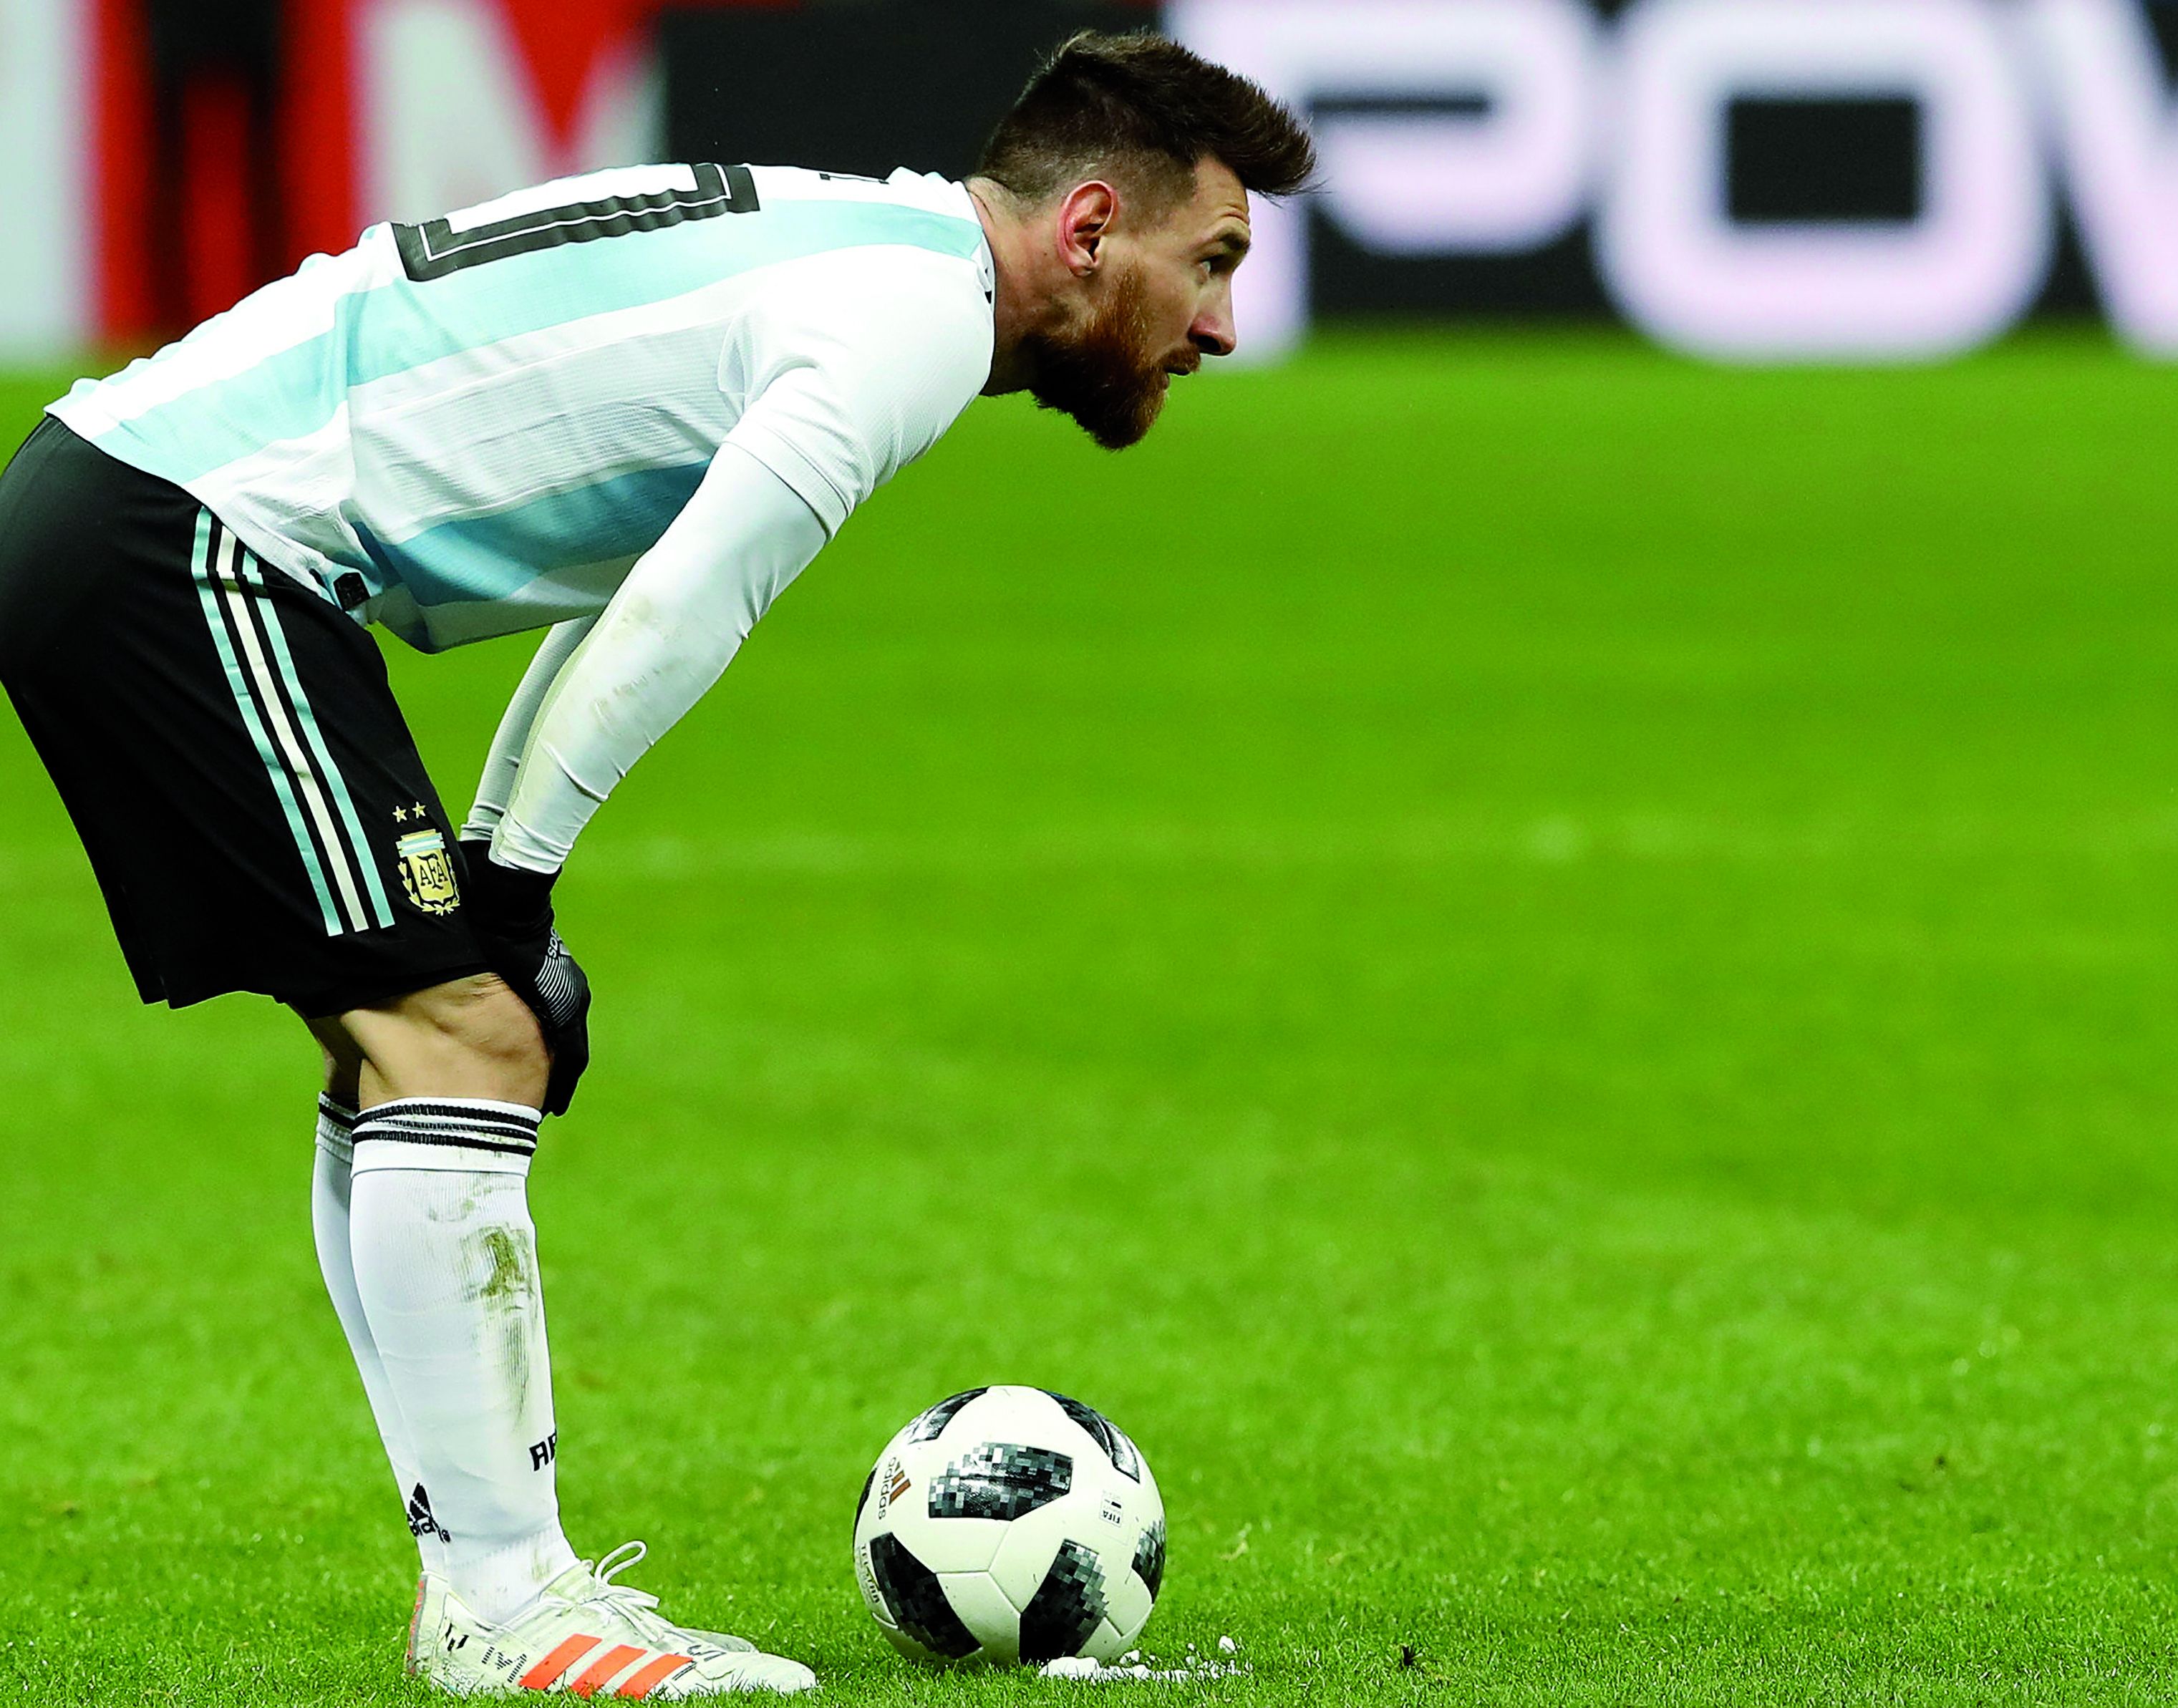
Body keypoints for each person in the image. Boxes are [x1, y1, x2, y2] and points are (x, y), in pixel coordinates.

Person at [0, 29, 1313, 1700]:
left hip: (154, 512)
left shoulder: (874, 251)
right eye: (1212, 259)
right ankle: (499, 1599)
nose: (1219, 322)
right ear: (1091, 226)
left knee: (412, 1038)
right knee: (462, 1032)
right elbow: (695, 603)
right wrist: (514, 884)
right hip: (184, 534)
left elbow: (635, 587)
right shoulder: (913, 316)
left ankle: (502, 1575)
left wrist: (501, 860)